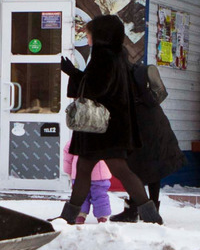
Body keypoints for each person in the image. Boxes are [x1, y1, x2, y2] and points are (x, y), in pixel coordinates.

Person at [59, 15, 161, 225]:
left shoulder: (103, 56)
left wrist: (73, 74)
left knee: (116, 170)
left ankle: (153, 219)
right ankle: (67, 217)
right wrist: (78, 75)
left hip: (102, 128)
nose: (86, 35)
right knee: (89, 169)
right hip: (112, 127)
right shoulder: (116, 55)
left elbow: (97, 89)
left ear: (100, 35)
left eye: (89, 32)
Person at [116, 60, 183, 220]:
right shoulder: (142, 70)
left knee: (132, 166)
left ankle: (132, 210)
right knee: (153, 166)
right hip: (156, 120)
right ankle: (152, 209)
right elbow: (158, 94)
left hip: (137, 123)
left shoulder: (120, 75)